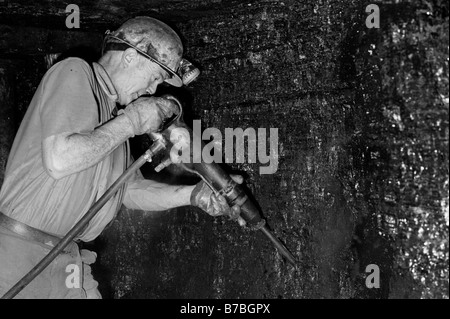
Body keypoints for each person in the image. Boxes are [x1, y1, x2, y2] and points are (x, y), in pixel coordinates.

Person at [0, 16, 241, 299]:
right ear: (129, 57)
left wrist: (193, 195)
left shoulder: (114, 123)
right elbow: (60, 159)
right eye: (154, 77)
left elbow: (130, 191)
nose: (152, 90)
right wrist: (133, 121)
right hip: (17, 255)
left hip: (66, 259)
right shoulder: (75, 72)